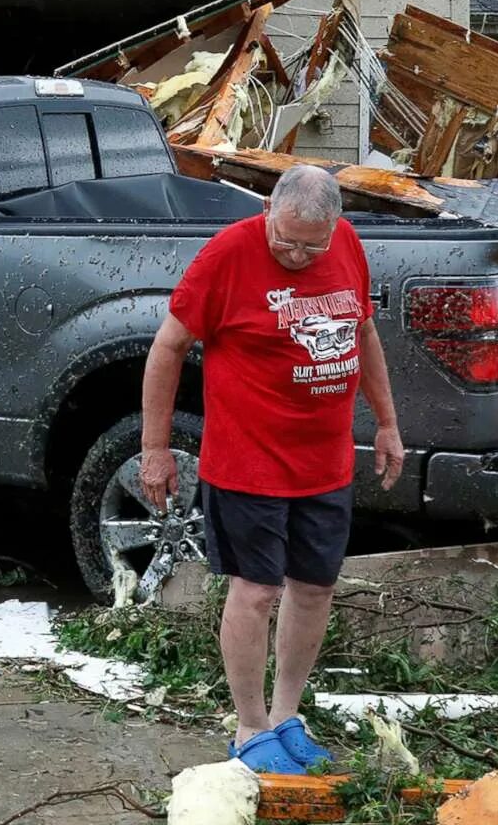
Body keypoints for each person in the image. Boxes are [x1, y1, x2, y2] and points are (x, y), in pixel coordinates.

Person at [140, 164, 405, 775]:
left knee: (315, 587)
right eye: (285, 239)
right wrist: (156, 448)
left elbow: (362, 331)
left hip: (325, 461)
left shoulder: (346, 244)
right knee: (257, 590)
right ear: (268, 209)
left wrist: (386, 423)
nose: (296, 253)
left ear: (335, 226)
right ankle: (250, 726)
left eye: (311, 245)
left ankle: (287, 716)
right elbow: (167, 346)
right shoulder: (227, 255)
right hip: (248, 461)